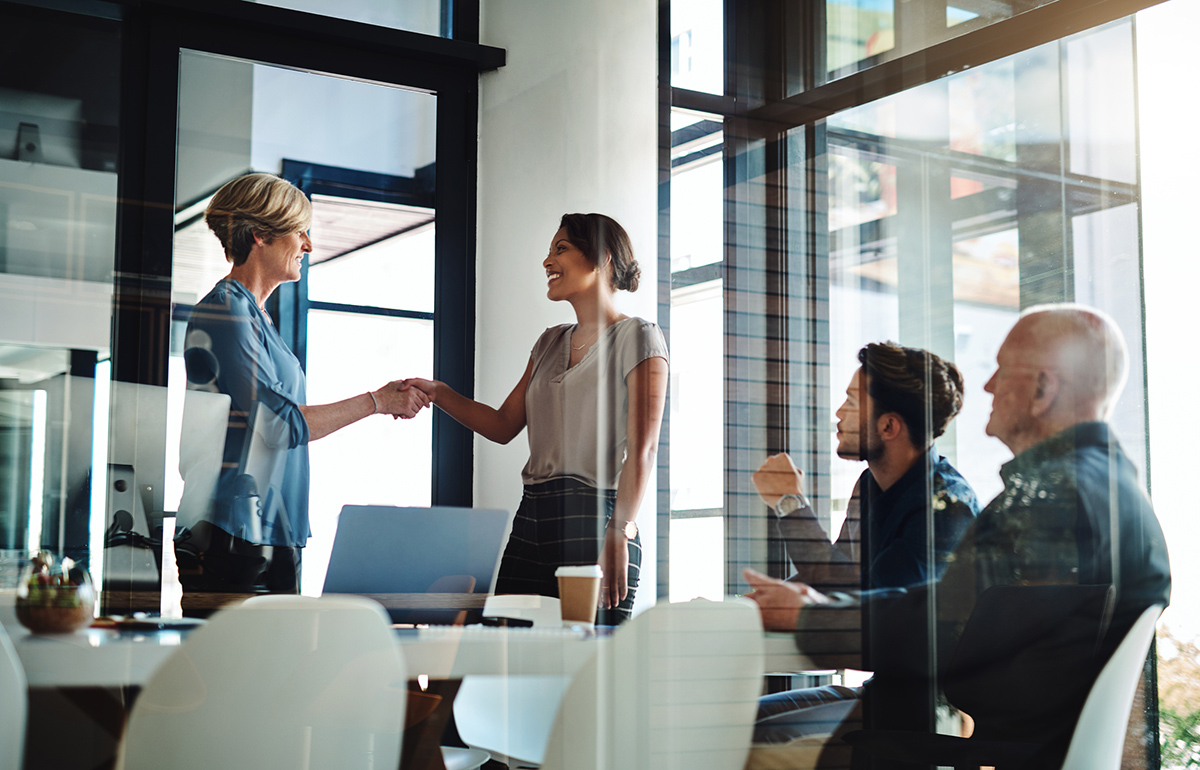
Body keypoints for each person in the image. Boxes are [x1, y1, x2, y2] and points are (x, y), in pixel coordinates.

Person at [744, 304, 1171, 769]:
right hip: (1009, 747)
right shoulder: (1102, 490)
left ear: (1044, 388)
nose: (987, 385)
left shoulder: (1055, 496)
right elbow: (954, 612)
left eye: (1003, 369)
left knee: (726, 754)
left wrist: (810, 616)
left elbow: (940, 627)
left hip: (981, 749)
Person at [175, 172, 429, 599]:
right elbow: (278, 425)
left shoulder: (259, 318)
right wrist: (377, 401)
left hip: (273, 530)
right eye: (299, 232)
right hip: (232, 534)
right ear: (259, 235)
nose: (308, 245)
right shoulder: (225, 313)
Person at [406, 213, 668, 624]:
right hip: (533, 517)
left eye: (560, 249)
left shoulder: (639, 336)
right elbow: (502, 425)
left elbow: (645, 448)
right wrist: (440, 394)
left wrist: (619, 531)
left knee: (589, 669)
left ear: (602, 257)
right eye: (549, 251)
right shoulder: (548, 342)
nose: (547, 261)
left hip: (598, 518)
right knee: (509, 657)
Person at [751, 343, 979, 745]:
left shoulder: (945, 508)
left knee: (755, 738)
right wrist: (760, 601)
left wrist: (790, 504)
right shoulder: (870, 486)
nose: (838, 413)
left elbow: (867, 604)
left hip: (927, 711)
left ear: (889, 427)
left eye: (852, 402)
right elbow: (836, 577)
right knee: (738, 722)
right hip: (882, 691)